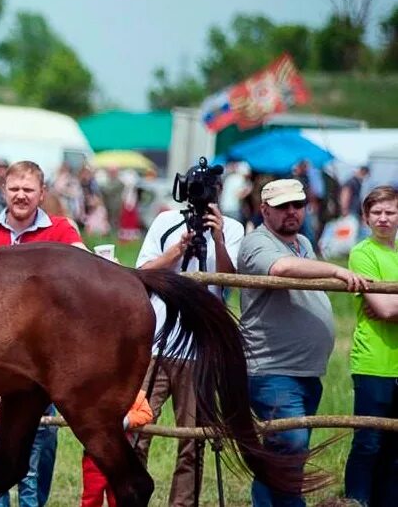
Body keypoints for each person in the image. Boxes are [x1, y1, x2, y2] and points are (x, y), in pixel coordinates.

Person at [238, 178, 370, 507]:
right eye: (283, 207)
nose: (292, 212)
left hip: (306, 371)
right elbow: (280, 268)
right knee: (291, 443)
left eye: (297, 205)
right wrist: (336, 271)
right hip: (271, 369)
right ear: (264, 210)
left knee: (285, 452)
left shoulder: (303, 244)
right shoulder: (258, 242)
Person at [0, 160, 85, 507]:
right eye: (14, 189)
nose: (20, 196)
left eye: (28, 190)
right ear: (3, 191)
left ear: (42, 193)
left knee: (40, 440)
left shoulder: (62, 231)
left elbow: (85, 279)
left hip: (44, 362)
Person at [133, 165, 244, 507]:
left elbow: (229, 281)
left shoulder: (233, 228)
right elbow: (140, 272)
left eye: (208, 189)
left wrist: (220, 239)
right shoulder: (166, 222)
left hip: (199, 349)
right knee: (135, 432)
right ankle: (132, 496)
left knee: (192, 440)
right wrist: (176, 252)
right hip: (156, 343)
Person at [343, 185, 398, 506]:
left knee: (395, 450)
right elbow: (385, 309)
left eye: (390, 212)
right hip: (373, 362)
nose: (383, 218)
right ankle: (357, 502)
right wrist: (385, 304)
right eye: (376, 212)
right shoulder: (362, 253)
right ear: (365, 217)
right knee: (368, 443)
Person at [341, 166, 371, 239]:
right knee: (350, 230)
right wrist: (344, 209)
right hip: (351, 210)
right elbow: (345, 194)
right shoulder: (351, 181)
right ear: (363, 172)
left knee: (354, 230)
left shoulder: (357, 182)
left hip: (355, 210)